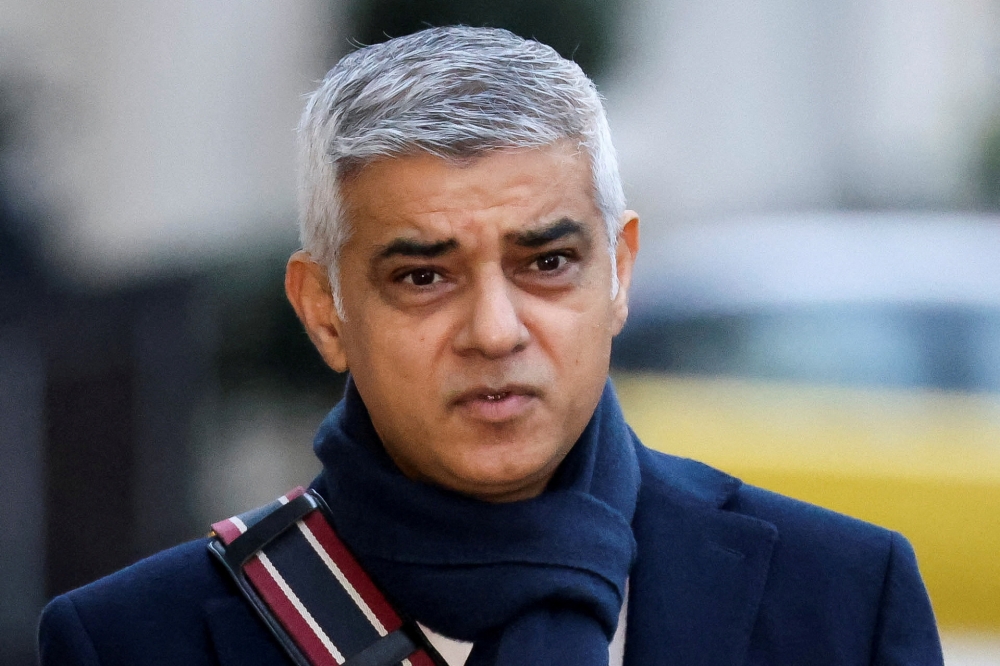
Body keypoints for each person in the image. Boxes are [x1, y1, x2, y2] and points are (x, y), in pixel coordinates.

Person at [38, 26, 943, 666]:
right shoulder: (129, 641)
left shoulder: (843, 597)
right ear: (324, 311)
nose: (495, 330)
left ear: (620, 272)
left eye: (547, 261)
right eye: (424, 277)